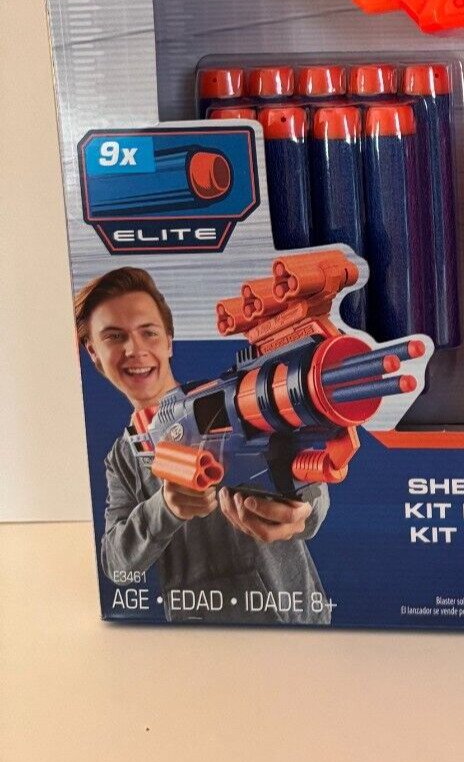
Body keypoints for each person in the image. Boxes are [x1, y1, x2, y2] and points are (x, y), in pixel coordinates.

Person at [76, 266, 332, 624]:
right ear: (93, 353)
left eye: (148, 332)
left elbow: (312, 498)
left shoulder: (234, 399)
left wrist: (302, 506)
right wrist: (165, 508)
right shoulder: (123, 458)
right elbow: (117, 565)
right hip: (199, 636)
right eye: (114, 336)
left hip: (293, 619)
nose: (134, 350)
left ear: (168, 340)